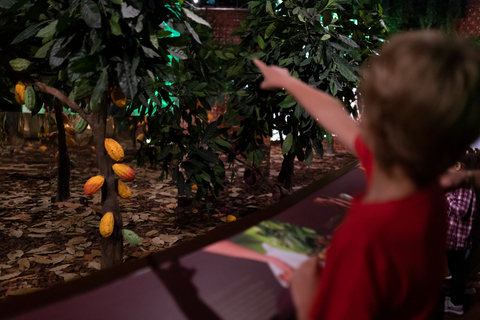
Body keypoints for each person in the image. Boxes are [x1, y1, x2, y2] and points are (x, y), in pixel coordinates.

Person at [253, 30, 480, 320]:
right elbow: (336, 116)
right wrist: (286, 81)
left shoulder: (366, 241)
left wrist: (306, 298)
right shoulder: (419, 182)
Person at [444, 148, 480, 315]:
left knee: (457, 270)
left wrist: (447, 196)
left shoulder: (465, 187)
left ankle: (456, 304)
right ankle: (455, 294)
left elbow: (460, 210)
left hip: (458, 241)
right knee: (455, 268)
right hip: (456, 239)